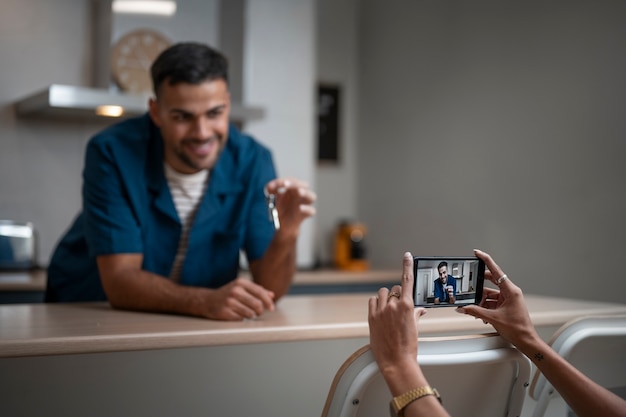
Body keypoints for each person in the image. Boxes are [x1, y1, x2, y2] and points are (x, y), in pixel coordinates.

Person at [45, 42, 316, 321]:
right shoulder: (112, 151)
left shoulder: (253, 160)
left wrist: (287, 235)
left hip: (186, 318)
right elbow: (120, 281)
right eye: (182, 117)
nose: (201, 133)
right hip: (88, 308)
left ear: (228, 105)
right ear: (156, 112)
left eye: (214, 113)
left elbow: (268, 291)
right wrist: (206, 301)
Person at [369, 250, 626, 417]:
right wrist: (527, 339)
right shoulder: (437, 284)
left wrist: (399, 365)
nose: (445, 275)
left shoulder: (452, 285)